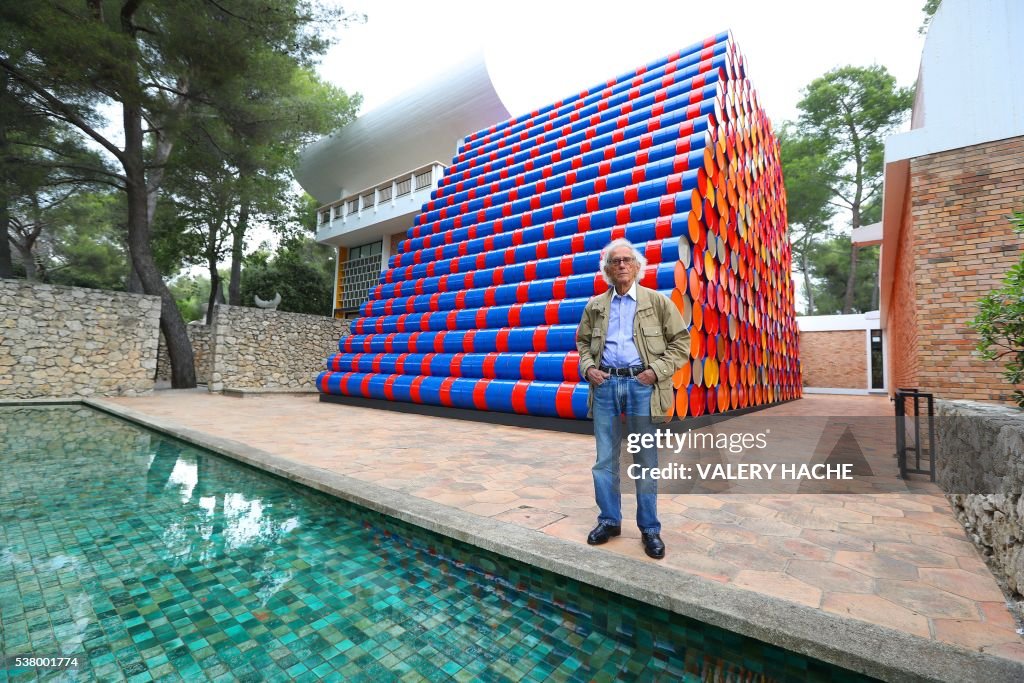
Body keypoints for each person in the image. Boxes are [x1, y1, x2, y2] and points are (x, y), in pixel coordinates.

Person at [575, 238, 690, 559]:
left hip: (644, 386)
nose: (622, 265)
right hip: (606, 386)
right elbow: (583, 342)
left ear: (638, 267)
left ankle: (649, 529)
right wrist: (588, 368)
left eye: (627, 260)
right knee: (605, 461)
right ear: (607, 271)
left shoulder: (658, 302)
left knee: (645, 461)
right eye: (615, 261)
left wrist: (656, 371)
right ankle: (609, 521)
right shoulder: (595, 305)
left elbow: (681, 342)